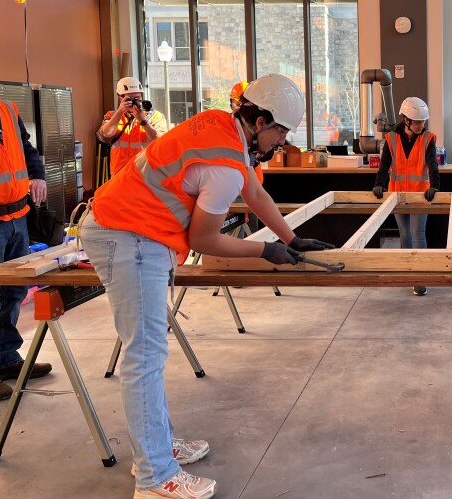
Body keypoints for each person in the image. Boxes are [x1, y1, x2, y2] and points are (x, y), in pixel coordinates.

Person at [79, 74, 335, 499]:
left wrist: (289, 237)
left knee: (149, 352)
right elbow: (203, 240)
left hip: (133, 231)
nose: (279, 144)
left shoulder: (221, 125)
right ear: (262, 121)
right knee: (144, 356)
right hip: (129, 235)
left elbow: (254, 191)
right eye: (281, 134)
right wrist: (264, 251)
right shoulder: (224, 164)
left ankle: (157, 448)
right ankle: (155, 476)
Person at [0, 99, 50, 402]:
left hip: (17, 215)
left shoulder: (7, 108)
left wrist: (37, 173)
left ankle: (5, 357)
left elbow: (26, 147)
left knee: (13, 292)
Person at [373, 96, 439, 297]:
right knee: (405, 234)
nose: (422, 125)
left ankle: (420, 278)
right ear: (407, 120)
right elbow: (384, 165)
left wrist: (434, 187)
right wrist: (378, 184)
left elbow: (432, 165)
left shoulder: (428, 138)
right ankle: (407, 271)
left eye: (423, 121)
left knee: (418, 234)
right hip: (398, 193)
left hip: (420, 194)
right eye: (418, 121)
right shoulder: (391, 139)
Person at [97, 77, 168, 176]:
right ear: (120, 97)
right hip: (119, 174)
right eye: (130, 99)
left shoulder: (155, 116)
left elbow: (161, 141)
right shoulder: (112, 116)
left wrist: (143, 121)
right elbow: (104, 135)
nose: (134, 101)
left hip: (146, 174)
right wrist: (120, 112)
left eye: (137, 98)